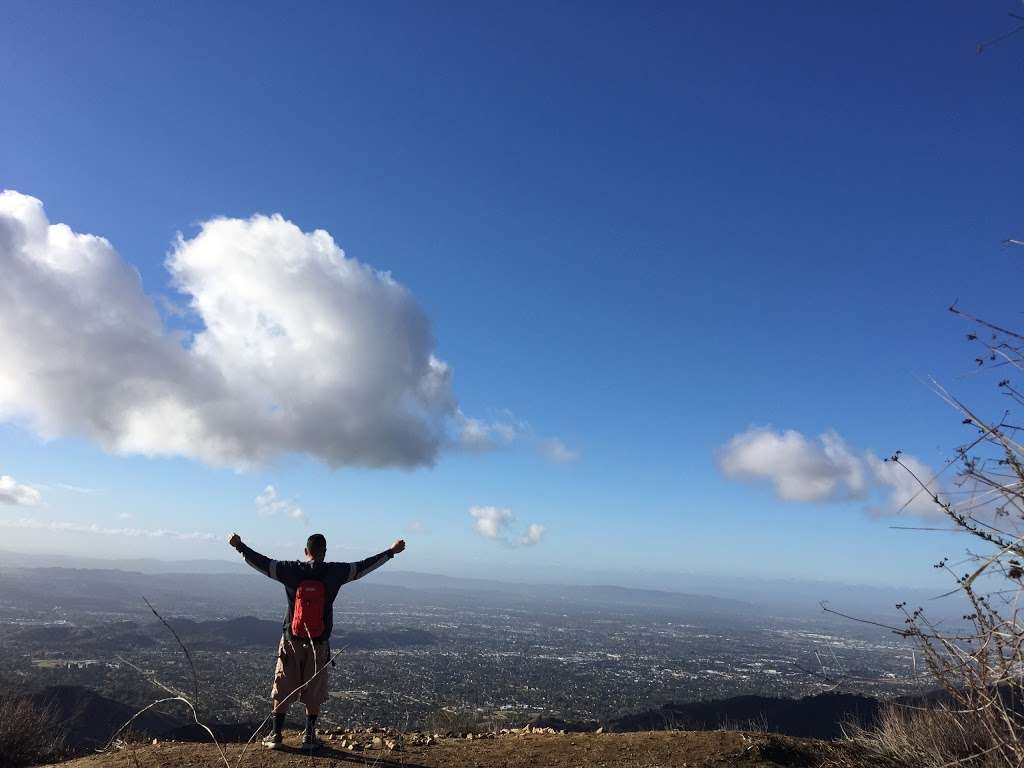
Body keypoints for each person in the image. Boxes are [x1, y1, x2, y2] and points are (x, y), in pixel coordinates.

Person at [228, 531, 406, 750]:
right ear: (324, 552)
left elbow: (262, 563)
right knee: (313, 691)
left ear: (306, 551)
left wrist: (239, 546)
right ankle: (309, 738)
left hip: (291, 639)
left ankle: (275, 735)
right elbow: (363, 567)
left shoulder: (291, 570)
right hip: (318, 643)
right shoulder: (335, 572)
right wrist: (391, 552)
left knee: (283, 686)